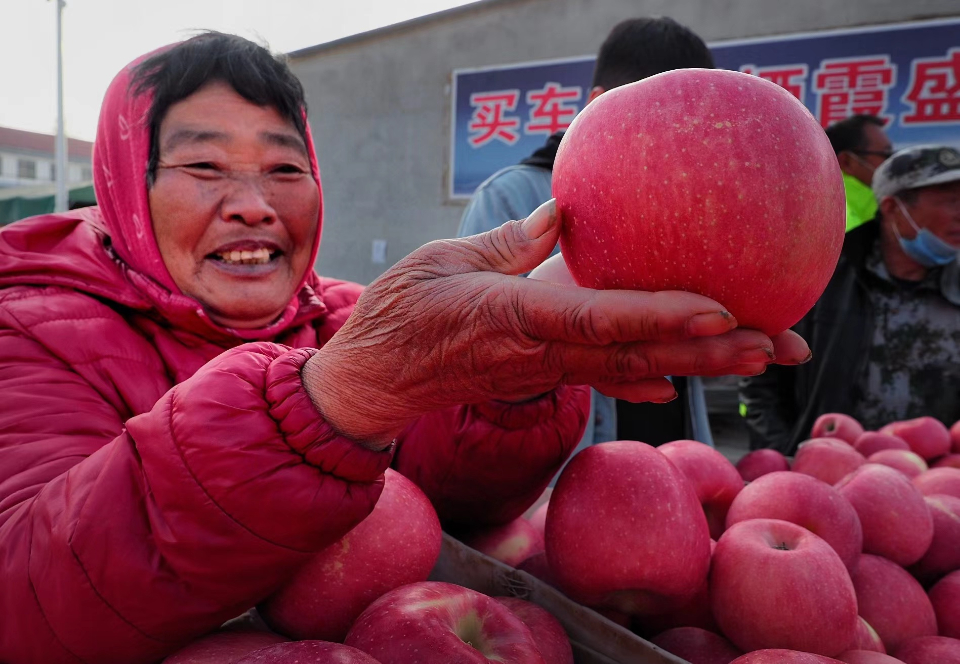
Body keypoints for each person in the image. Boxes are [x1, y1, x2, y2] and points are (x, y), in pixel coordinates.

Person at [0, 33, 806, 664]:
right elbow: (25, 603)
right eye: (203, 166)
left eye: (285, 166)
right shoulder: (29, 327)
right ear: (120, 185)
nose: (252, 205)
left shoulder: (351, 316)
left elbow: (451, 505)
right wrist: (335, 399)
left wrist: (510, 383)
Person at [458, 16, 717, 448]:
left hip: (677, 461)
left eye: (694, 123)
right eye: (658, 120)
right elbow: (481, 360)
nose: (679, 140)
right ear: (597, 103)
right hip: (554, 476)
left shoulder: (696, 207)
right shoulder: (513, 198)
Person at [740, 145, 960, 454]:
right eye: (950, 201)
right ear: (893, 208)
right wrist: (784, 454)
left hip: (935, 479)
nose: (959, 213)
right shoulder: (819, 278)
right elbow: (762, 376)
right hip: (830, 471)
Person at [824, 114, 894, 233]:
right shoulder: (872, 212)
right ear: (846, 162)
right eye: (886, 154)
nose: (891, 163)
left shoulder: (815, 198)